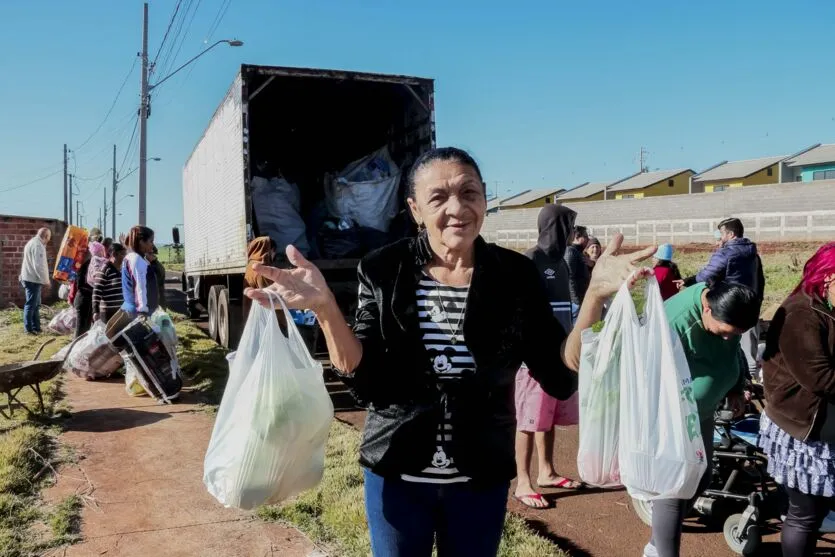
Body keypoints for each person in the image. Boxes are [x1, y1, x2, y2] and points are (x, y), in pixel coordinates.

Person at [247, 147, 654, 557]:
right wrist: (326, 310)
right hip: (396, 471)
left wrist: (595, 297)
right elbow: (364, 379)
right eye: (438, 197)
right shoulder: (384, 269)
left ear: (484, 199)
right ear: (415, 209)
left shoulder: (514, 274)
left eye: (469, 193)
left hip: (480, 478)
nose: (457, 208)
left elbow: (559, 371)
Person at [643, 281, 761, 557]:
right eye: (724, 333)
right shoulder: (674, 321)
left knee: (702, 477)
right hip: (671, 416)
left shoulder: (729, 313)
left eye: (736, 334)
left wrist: (734, 386)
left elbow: (733, 351)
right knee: (675, 487)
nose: (729, 338)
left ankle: (657, 543)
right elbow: (648, 375)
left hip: (702, 411)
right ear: (706, 308)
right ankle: (662, 550)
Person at [759, 243, 835, 557]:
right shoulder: (801, 313)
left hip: (824, 419)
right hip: (804, 426)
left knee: (815, 511)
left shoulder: (827, 306)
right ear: (828, 277)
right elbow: (820, 379)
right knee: (805, 514)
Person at [514, 205, 583, 509]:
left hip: (561, 355)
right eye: (569, 226)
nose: (572, 233)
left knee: (549, 418)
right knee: (528, 421)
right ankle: (523, 481)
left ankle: (547, 471)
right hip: (535, 360)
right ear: (555, 227)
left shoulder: (564, 262)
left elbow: (567, 309)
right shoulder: (530, 260)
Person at [678, 218, 765, 378]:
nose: (720, 238)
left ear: (731, 234)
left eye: (721, 234)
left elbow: (707, 275)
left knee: (728, 343)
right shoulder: (753, 253)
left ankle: (730, 380)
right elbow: (760, 279)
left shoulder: (727, 252)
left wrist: (688, 281)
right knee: (748, 342)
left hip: (728, 304)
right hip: (749, 304)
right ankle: (750, 379)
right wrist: (757, 301)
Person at [106, 226, 157, 337]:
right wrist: (142, 311)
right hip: (135, 310)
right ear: (141, 242)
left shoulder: (130, 257)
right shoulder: (137, 260)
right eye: (150, 241)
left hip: (128, 307)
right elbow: (139, 286)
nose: (152, 244)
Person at [19, 228, 52, 334]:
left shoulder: (31, 242)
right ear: (46, 236)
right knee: (31, 305)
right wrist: (46, 280)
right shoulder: (38, 246)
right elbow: (39, 266)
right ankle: (28, 329)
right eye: (49, 237)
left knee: (35, 305)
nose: (49, 240)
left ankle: (36, 327)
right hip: (33, 279)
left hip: (29, 277)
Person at [92, 243, 126, 324]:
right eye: (123, 254)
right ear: (114, 254)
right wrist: (95, 311)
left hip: (121, 311)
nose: (125, 257)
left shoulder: (123, 270)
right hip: (108, 313)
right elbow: (97, 292)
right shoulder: (105, 269)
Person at [564, 225, 591, 320]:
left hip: (581, 297)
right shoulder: (571, 252)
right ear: (577, 236)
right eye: (586, 237)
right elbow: (569, 277)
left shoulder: (578, 252)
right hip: (576, 301)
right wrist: (575, 301)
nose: (588, 239)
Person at [73, 245, 98, 338]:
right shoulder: (85, 266)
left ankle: (79, 348)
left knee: (84, 328)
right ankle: (75, 349)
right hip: (83, 298)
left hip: (85, 298)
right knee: (81, 329)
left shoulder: (86, 265)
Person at [146, 246, 167, 310]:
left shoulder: (154, 267)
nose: (145, 257)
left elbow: (151, 285)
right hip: (159, 301)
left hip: (156, 303)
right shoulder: (157, 265)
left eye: (147, 254)